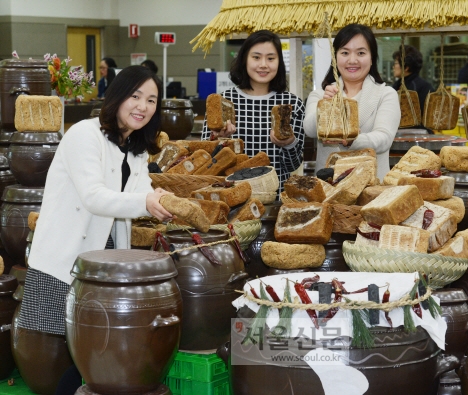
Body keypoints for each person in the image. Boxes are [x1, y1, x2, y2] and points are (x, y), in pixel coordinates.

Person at [19, 65, 174, 395]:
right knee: (62, 357)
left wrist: (162, 200)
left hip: (100, 267)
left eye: (151, 100)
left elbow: (140, 190)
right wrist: (147, 201)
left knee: (94, 354)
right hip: (62, 262)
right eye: (135, 96)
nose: (143, 106)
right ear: (117, 96)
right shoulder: (84, 134)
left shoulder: (135, 146)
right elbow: (94, 197)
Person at [200, 30, 305, 197]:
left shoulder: (291, 104)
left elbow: (293, 165)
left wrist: (290, 143)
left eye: (271, 58)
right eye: (256, 57)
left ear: (279, 62)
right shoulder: (223, 101)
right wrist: (218, 140)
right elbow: (205, 161)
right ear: (245, 60)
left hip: (276, 197)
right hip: (232, 197)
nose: (263, 64)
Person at [303, 23, 400, 180]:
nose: (352, 60)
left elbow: (384, 138)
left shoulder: (386, 94)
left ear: (372, 57)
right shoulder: (320, 95)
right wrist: (325, 107)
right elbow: (309, 129)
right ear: (335, 57)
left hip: (372, 188)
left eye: (361, 53)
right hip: (328, 187)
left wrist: (352, 140)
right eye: (345, 53)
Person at [391, 44, 434, 115]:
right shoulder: (398, 85)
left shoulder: (418, 88)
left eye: (395, 63)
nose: (393, 67)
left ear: (406, 67)